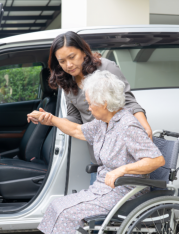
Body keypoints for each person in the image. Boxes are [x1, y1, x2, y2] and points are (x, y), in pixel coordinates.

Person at [27, 70, 165, 234]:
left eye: (91, 103)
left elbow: (157, 160)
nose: (89, 108)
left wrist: (121, 170)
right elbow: (77, 130)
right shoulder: (104, 122)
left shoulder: (127, 125)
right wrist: (51, 119)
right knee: (56, 206)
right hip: (103, 189)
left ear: (105, 103)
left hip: (124, 191)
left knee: (67, 214)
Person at [28, 31, 152, 185]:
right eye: (62, 61)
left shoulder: (105, 67)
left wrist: (145, 127)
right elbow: (75, 118)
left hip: (120, 152)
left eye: (72, 57)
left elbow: (129, 102)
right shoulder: (66, 80)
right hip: (99, 155)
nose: (68, 65)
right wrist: (52, 119)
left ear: (83, 51)